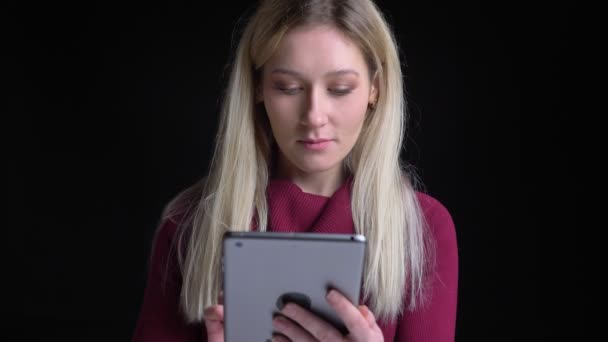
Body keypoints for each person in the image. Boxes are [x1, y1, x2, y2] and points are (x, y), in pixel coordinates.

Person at [132, 0, 458, 341]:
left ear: (375, 88)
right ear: (258, 87)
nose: (314, 115)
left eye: (340, 89)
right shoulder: (189, 225)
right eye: (288, 87)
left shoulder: (421, 230)